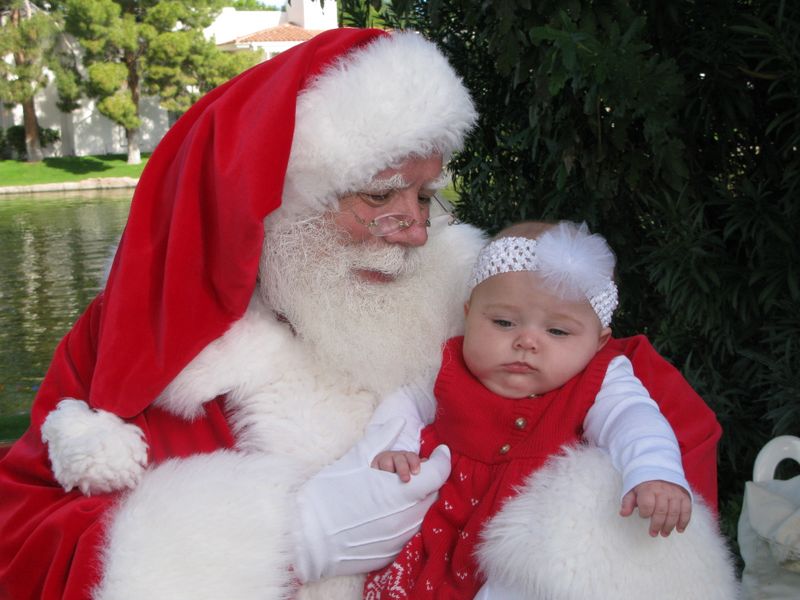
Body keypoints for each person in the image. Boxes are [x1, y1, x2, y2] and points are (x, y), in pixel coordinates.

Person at [0, 29, 485, 600]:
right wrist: (288, 542)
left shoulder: (477, 309)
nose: (418, 232)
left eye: (424, 197)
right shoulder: (134, 331)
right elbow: (23, 542)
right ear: (285, 201)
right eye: (379, 197)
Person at [363, 221, 738, 599]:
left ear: (598, 341)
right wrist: (399, 446)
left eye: (558, 332)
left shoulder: (598, 379)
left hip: (532, 534)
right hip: (442, 528)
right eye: (503, 322)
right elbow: (406, 403)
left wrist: (654, 471)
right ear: (469, 313)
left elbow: (633, 418)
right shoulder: (450, 367)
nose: (526, 341)